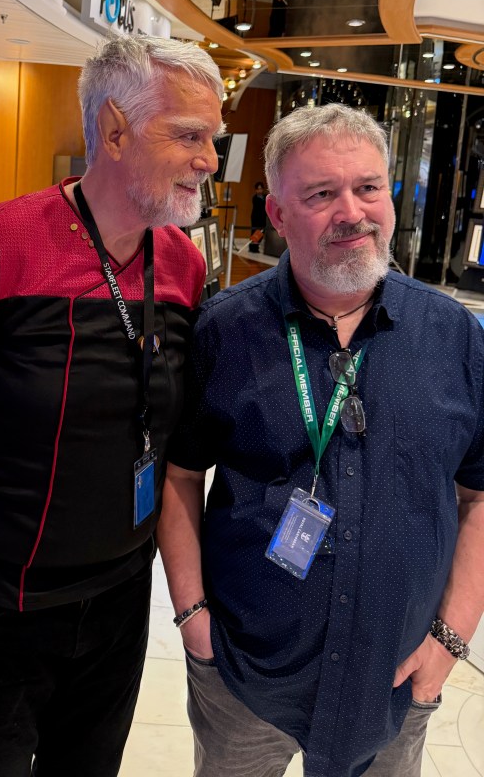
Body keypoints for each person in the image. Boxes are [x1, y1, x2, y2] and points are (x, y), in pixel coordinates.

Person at [0, 34, 225, 776]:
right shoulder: (0, 246)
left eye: (213, 139)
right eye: (189, 135)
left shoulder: (186, 265)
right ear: (114, 130)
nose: (211, 160)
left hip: (118, 606)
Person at [157, 103, 484, 777]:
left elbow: (479, 495)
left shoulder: (453, 337)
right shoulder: (226, 330)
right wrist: (193, 617)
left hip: (396, 680)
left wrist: (449, 642)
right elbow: (180, 474)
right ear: (276, 215)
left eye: (367, 187)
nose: (352, 212)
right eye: (320, 194)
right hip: (246, 675)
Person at [249, 180, 267, 252]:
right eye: (258, 189)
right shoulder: (255, 198)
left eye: (261, 188)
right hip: (256, 218)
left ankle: (256, 246)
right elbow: (260, 207)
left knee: (261, 233)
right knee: (255, 232)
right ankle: (253, 248)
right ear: (256, 190)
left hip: (263, 218)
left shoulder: (265, 197)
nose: (259, 190)